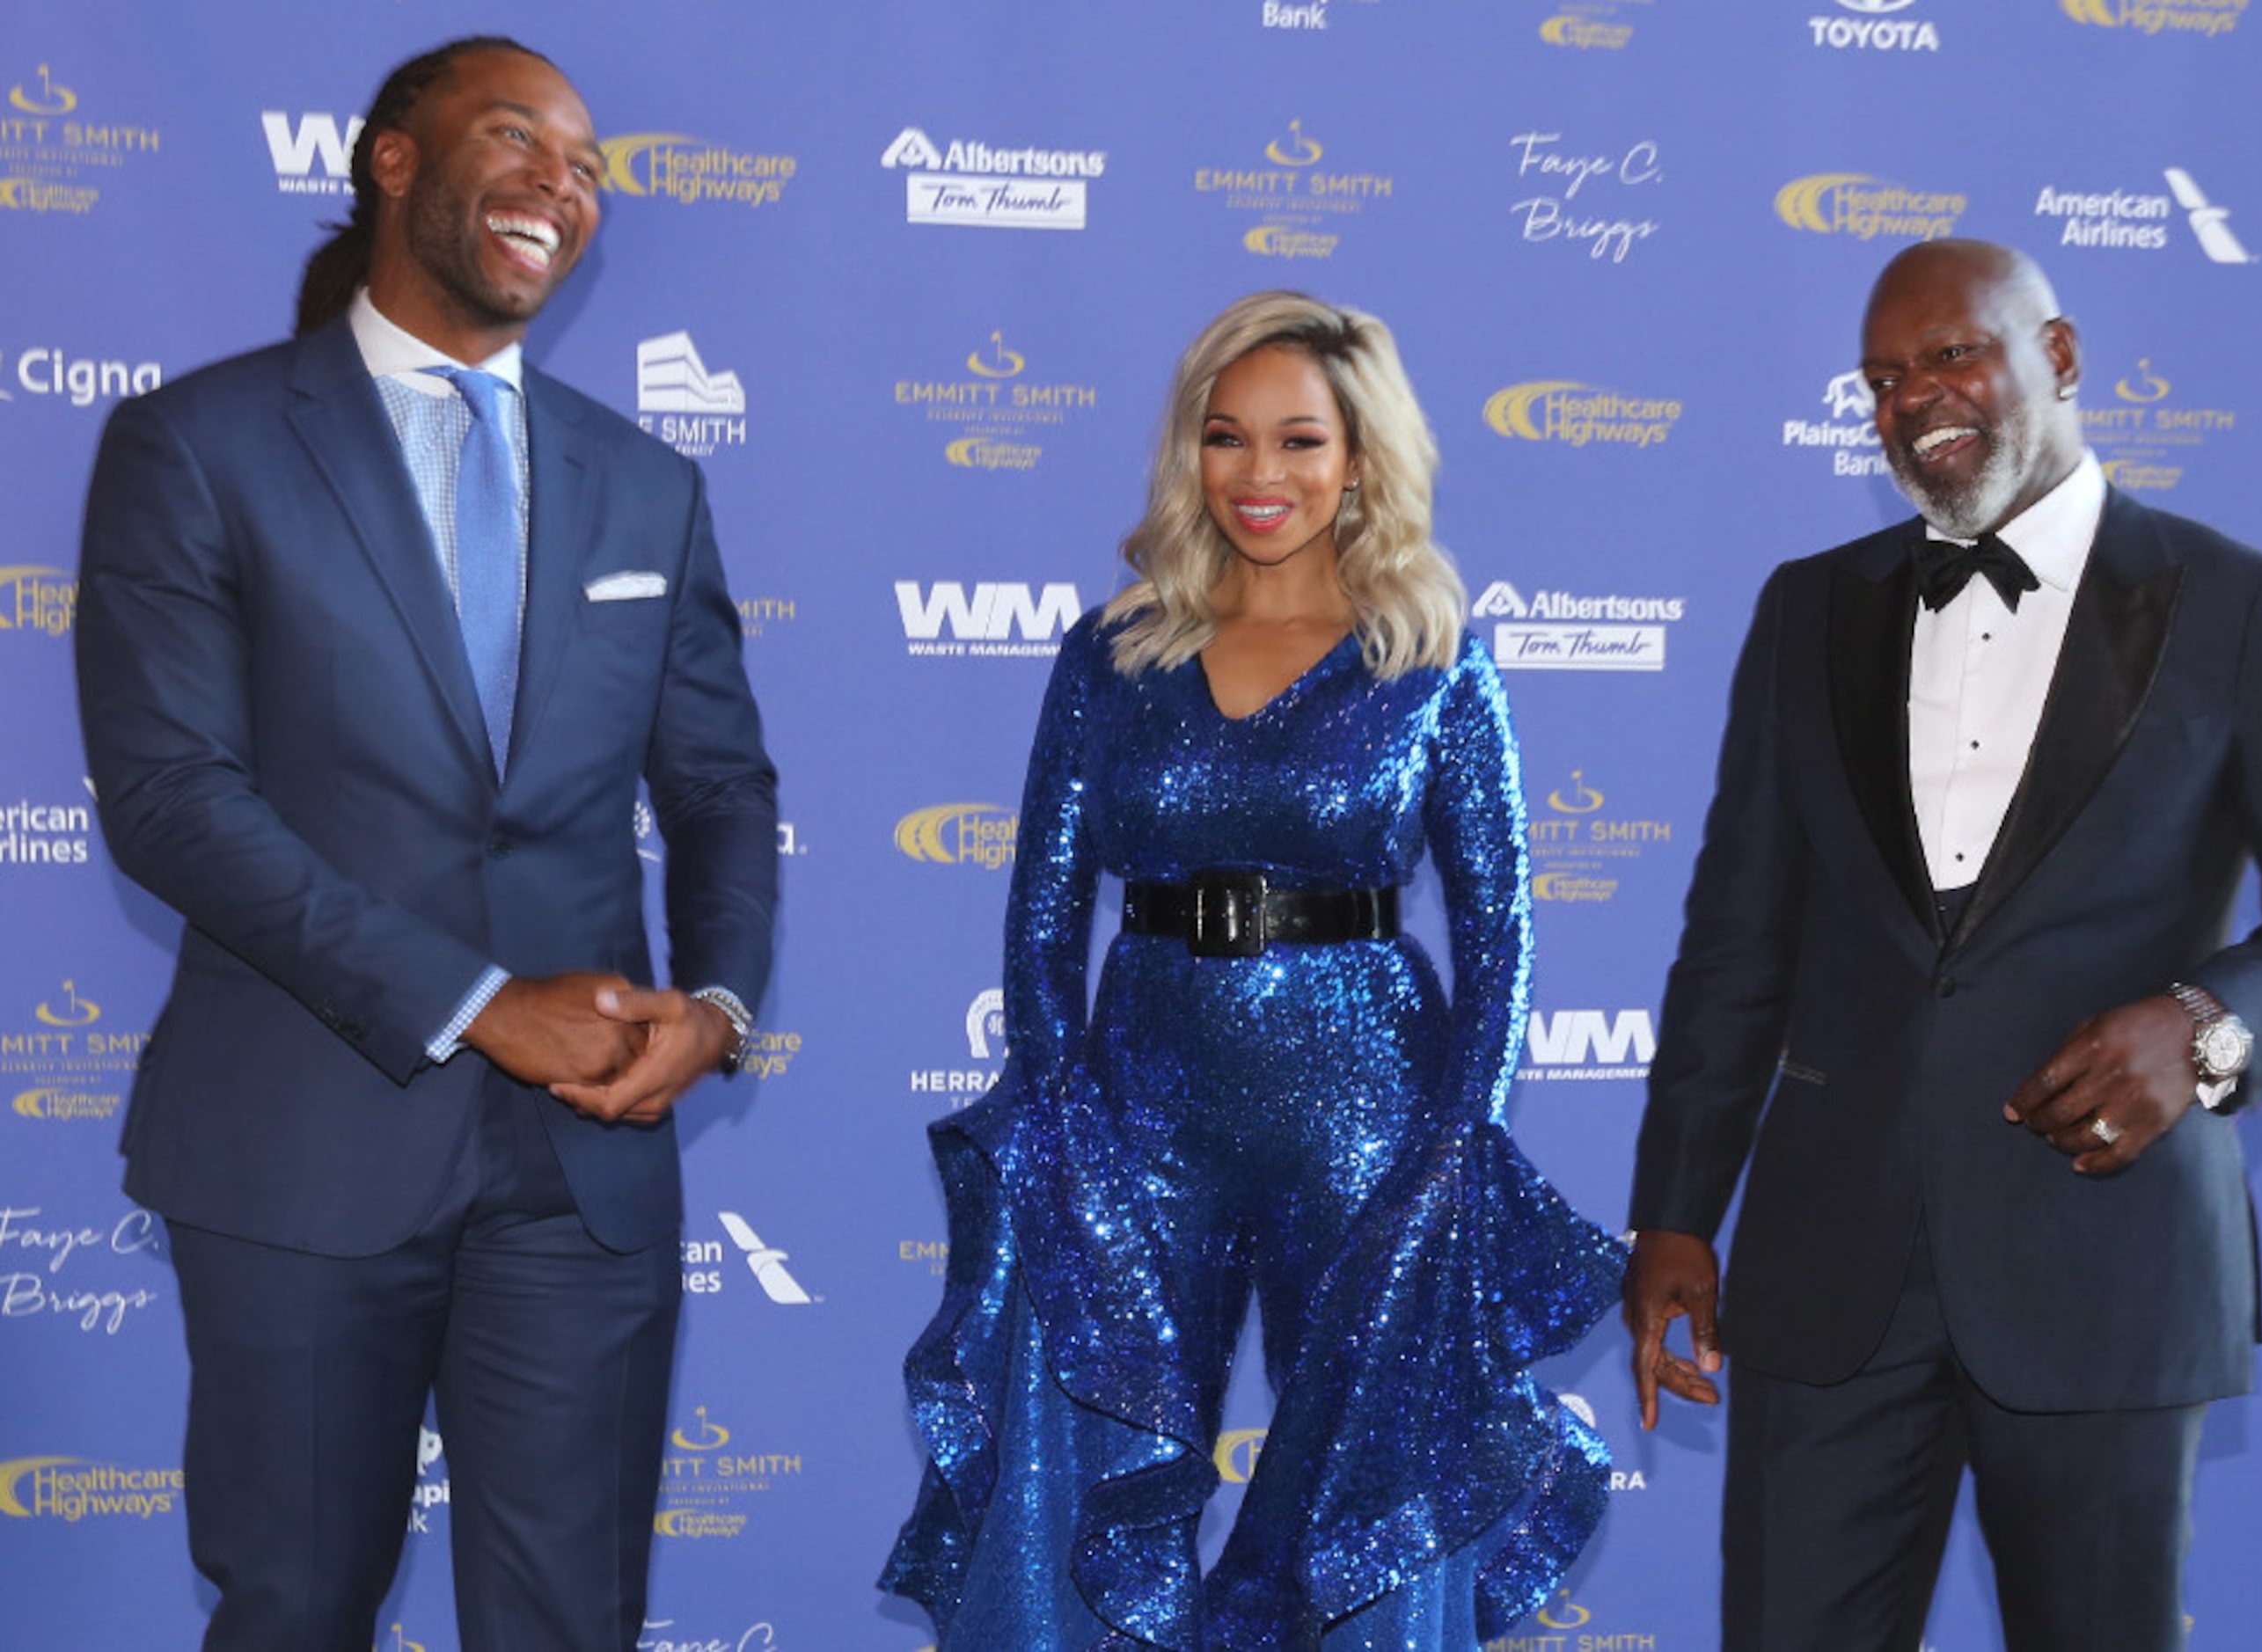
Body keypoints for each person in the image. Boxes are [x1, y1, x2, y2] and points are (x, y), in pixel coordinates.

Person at [75, 37, 779, 1650]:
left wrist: (720, 1005)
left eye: (591, 166)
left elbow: (726, 786)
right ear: (394, 158)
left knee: (566, 1623)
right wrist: (476, 999)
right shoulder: (199, 445)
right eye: (518, 137)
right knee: (298, 1607)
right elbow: (173, 797)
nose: (562, 184)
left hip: (585, 1167)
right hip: (300, 1147)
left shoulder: (645, 484)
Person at [1623, 238, 2262, 1650]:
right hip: (1828, 1275)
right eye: (1881, 377)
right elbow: (1737, 936)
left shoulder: (2237, 602)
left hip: (2100, 1261)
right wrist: (1676, 1208)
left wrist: (2206, 1025)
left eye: (1951, 354)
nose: (1915, 396)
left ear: (2056, 358)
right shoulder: (1809, 606)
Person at [881, 291, 1625, 1648]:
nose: (1261, 476)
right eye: (1228, 439)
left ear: (1361, 458)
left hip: (1370, 1110)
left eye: (1300, 441)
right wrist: (1059, 1113)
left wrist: (1458, 1144)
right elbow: (1044, 913)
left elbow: (1503, 928)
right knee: (1085, 1471)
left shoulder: (1435, 657)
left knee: (1375, 1480)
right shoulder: (1112, 652)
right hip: (1140, 1099)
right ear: (1190, 454)